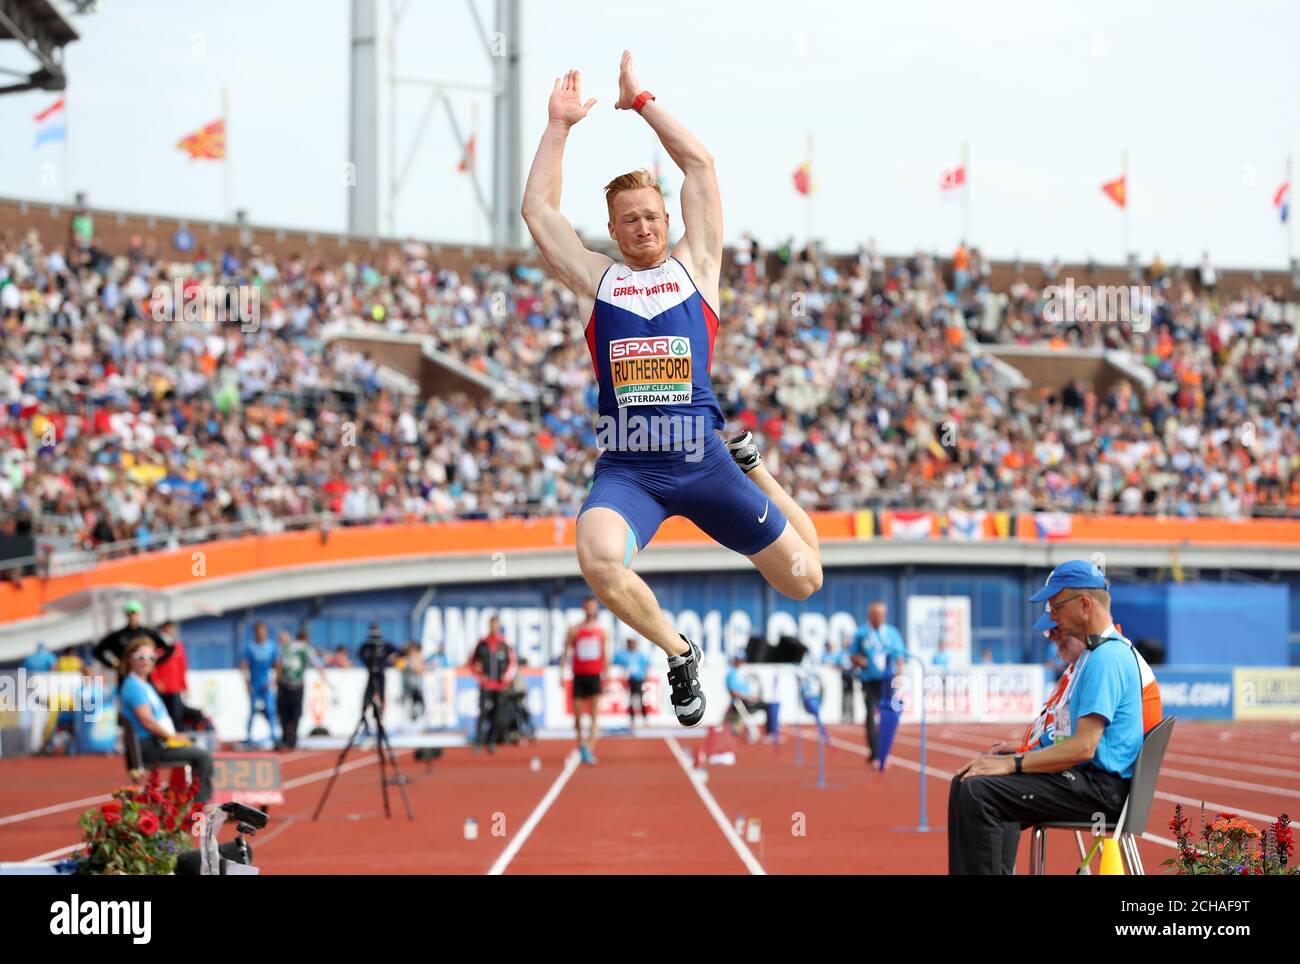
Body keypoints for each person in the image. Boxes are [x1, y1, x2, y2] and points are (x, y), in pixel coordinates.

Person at [520, 51, 823, 729]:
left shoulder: (697, 267)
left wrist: (643, 101)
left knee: (805, 578)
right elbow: (538, 210)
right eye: (629, 220)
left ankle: (762, 475)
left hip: (705, 462)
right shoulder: (598, 280)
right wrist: (558, 127)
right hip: (631, 469)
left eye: (652, 215)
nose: (644, 227)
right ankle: (679, 651)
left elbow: (701, 168)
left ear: (665, 216)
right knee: (596, 558)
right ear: (614, 229)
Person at [948, 560, 1163, 875]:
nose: (1051, 617)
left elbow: (1082, 748)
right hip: (1091, 781)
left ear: (1085, 604)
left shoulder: (1107, 659)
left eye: (1056, 607)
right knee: (967, 781)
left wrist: (1013, 763)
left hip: (1102, 791)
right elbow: (1073, 741)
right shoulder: (1095, 656)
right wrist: (1020, 753)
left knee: (979, 792)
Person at [118, 636, 213, 803]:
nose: (147, 661)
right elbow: (146, 720)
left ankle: (183, 800)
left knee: (195, 746)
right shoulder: (134, 686)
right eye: (141, 657)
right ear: (130, 659)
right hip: (147, 747)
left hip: (157, 742)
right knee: (203, 756)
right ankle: (200, 806)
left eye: (151, 657)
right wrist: (172, 737)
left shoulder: (144, 684)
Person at [850, 603, 906, 765]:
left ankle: (883, 752)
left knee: (887, 716)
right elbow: (852, 654)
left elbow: (900, 654)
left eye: (882, 613)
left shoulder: (891, 633)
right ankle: (875, 754)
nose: (879, 616)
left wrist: (900, 672)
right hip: (869, 681)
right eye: (876, 613)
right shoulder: (861, 633)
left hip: (887, 681)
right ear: (870, 615)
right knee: (870, 715)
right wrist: (860, 661)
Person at [563, 597, 607, 764]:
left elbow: (605, 654)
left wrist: (607, 676)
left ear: (596, 609)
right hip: (579, 676)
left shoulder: (601, 631)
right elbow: (565, 651)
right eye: (588, 606)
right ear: (583, 607)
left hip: (595, 676)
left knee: (595, 716)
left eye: (593, 606)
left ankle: (589, 749)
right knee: (578, 717)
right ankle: (581, 744)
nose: (590, 609)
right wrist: (561, 673)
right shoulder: (574, 630)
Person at [467, 616, 516, 753]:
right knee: (483, 713)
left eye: (497, 625)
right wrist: (480, 677)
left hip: (500, 687)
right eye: (493, 625)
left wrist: (505, 678)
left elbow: (512, 663)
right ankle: (478, 742)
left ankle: (491, 742)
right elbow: (472, 662)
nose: (495, 628)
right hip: (486, 685)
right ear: (489, 625)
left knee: (498, 715)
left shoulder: (504, 644)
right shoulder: (482, 644)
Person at [94, 600, 174, 679]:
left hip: (144, 676)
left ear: (139, 614)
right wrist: (111, 664)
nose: (132, 616)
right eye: (130, 614)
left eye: (135, 613)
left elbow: (170, 647)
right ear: (126, 615)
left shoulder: (148, 633)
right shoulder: (118, 635)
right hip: (125, 675)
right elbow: (97, 650)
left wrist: (155, 662)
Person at [275, 629, 327, 750]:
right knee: (295, 715)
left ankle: (285, 739)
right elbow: (317, 664)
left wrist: (276, 681)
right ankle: (291, 740)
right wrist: (326, 679)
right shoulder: (307, 649)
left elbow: (278, 664)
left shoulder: (286, 647)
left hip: (284, 685)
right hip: (297, 686)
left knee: (283, 714)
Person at [239, 622, 279, 747]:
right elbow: (244, 666)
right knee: (252, 711)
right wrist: (246, 683)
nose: (261, 634)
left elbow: (277, 664)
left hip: (266, 684)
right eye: (258, 631)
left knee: (270, 710)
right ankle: (249, 736)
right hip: (254, 684)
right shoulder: (250, 647)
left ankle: (273, 735)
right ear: (255, 632)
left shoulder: (271, 646)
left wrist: (274, 681)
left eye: (263, 631)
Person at [150, 621, 189, 730]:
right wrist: (156, 681)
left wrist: (184, 686)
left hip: (174, 687)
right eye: (167, 629)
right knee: (162, 715)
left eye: (172, 628)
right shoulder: (157, 647)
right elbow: (153, 666)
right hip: (161, 687)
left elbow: (182, 667)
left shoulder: (178, 646)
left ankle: (179, 737)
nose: (170, 631)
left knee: (177, 714)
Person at [723, 651, 763, 741]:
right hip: (739, 702)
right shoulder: (732, 674)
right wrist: (749, 698)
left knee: (734, 724)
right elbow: (733, 692)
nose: (742, 662)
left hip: (744, 701)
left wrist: (752, 697)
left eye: (743, 660)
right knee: (731, 725)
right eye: (740, 660)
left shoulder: (739, 673)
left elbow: (745, 690)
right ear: (735, 661)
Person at [613, 636, 651, 730]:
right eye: (630, 643)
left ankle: (645, 718)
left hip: (639, 679)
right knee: (631, 700)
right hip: (629, 680)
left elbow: (647, 665)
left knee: (641, 699)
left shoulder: (640, 655)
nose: (632, 645)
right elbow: (615, 661)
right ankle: (632, 719)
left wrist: (646, 676)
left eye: (633, 643)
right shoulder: (624, 654)